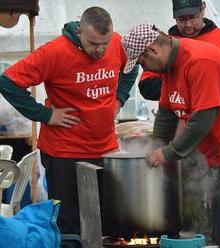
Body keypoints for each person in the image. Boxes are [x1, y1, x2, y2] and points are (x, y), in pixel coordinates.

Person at [122, 22, 220, 248]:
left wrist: (169, 153)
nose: (145, 69)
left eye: (143, 62)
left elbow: (203, 119)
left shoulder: (200, 61)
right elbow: (165, 114)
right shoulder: (170, 68)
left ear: (152, 50)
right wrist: (154, 147)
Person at [0, 7, 138, 234]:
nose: (101, 50)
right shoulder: (53, 53)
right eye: (94, 44)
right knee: (69, 224)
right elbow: (8, 82)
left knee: (105, 221)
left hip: (105, 149)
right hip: (65, 152)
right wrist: (45, 115)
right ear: (80, 31)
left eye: (105, 43)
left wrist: (120, 99)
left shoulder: (116, 43)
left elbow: (132, 67)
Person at [138, 0, 220, 101]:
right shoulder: (165, 45)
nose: (188, 24)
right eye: (181, 19)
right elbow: (147, 87)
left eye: (192, 17)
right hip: (176, 117)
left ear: (202, 9)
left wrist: (184, 86)